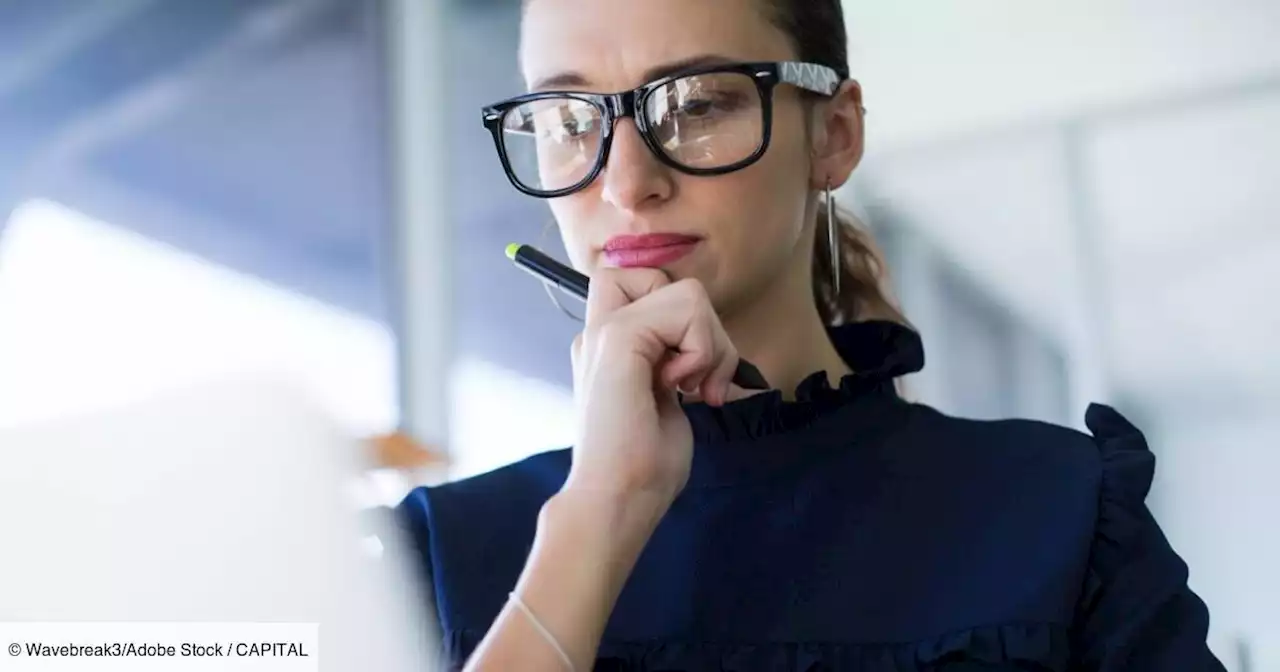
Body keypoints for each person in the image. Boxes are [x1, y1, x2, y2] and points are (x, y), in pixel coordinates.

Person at [396, 0, 1225, 669]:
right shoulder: (437, 555)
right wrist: (599, 516)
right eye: (568, 119)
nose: (626, 182)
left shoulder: (1061, 509)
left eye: (695, 104)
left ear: (834, 135)